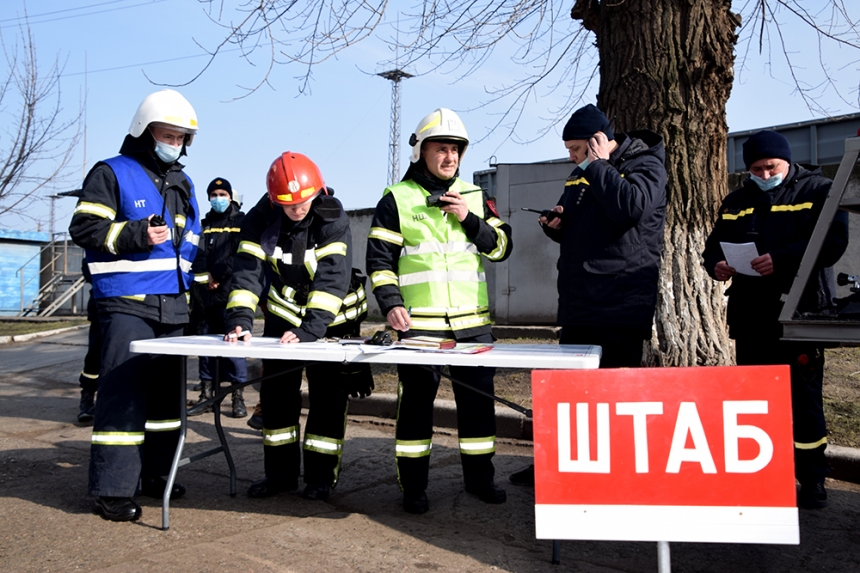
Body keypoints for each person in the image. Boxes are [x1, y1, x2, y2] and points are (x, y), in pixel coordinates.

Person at [510, 103, 667, 486]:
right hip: (580, 300)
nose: (572, 158)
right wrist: (557, 225)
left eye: (577, 149)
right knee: (569, 393)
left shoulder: (646, 165)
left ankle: (614, 474)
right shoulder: (582, 173)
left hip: (619, 301)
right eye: (570, 151)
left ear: (600, 141)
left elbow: (629, 208)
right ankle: (556, 463)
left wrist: (597, 165)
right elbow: (584, 223)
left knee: (614, 394)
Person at [366, 108, 514, 514]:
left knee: (479, 408)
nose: (449, 157)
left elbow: (501, 248)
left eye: (455, 150)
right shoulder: (396, 198)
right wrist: (391, 305)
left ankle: (480, 480)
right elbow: (379, 261)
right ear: (421, 152)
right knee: (415, 410)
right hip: (420, 329)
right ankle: (413, 488)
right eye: (441, 148)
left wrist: (470, 219)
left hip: (473, 326)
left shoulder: (476, 197)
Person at [69, 89, 201, 522]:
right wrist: (135, 234)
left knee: (167, 402)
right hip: (126, 303)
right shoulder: (111, 173)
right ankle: (112, 490)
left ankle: (158, 477)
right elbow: (85, 228)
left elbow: (193, 238)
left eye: (182, 138)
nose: (175, 144)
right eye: (168, 135)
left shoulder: (183, 183)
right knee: (124, 397)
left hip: (172, 306)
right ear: (145, 133)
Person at [702, 130, 849, 509]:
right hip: (752, 315)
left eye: (772, 167)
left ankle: (812, 478)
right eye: (756, 168)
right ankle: (763, 475)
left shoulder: (819, 190)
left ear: (787, 163)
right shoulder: (737, 200)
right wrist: (715, 265)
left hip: (800, 312)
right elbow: (713, 245)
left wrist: (781, 259)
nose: (765, 174)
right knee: (754, 399)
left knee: (804, 400)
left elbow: (832, 243)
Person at [225, 151, 372, 503]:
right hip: (282, 316)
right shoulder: (259, 218)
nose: (298, 209)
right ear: (274, 200)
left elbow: (333, 276)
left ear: (316, 192)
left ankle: (320, 479)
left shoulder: (331, 216)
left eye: (304, 201)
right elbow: (247, 272)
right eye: (289, 204)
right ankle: (279, 476)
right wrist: (240, 321)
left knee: (327, 400)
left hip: (331, 322)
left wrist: (311, 330)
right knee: (275, 398)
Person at [190, 177, 248, 418]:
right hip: (206, 294)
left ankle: (237, 396)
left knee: (233, 346)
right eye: (214, 195)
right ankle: (206, 393)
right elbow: (196, 252)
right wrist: (207, 275)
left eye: (222, 194)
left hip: (230, 294)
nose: (218, 199)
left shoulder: (240, 222)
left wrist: (219, 274)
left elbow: (240, 254)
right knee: (206, 346)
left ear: (230, 197)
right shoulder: (203, 224)